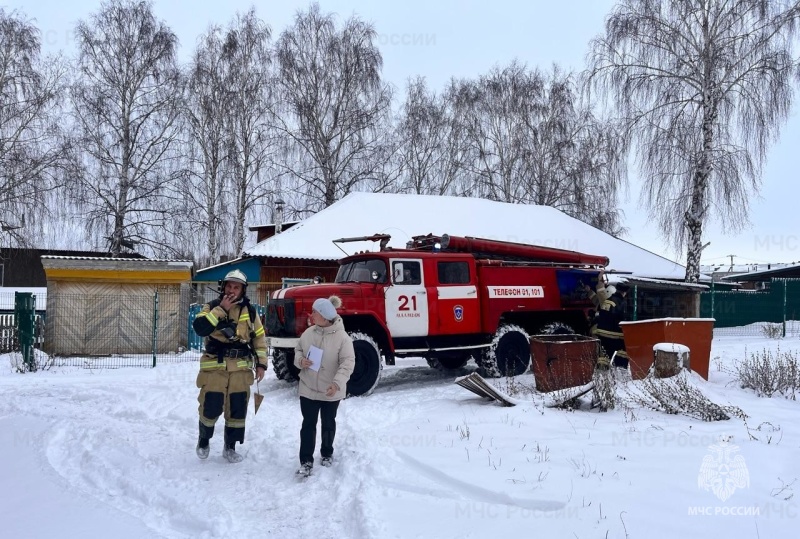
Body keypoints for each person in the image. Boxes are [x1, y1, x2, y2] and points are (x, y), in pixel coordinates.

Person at [192, 269, 267, 463]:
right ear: (223, 287)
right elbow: (200, 328)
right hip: (214, 368)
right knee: (211, 405)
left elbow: (259, 338)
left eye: (237, 287)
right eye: (229, 286)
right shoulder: (211, 306)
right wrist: (221, 309)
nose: (232, 290)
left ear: (243, 290)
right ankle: (204, 440)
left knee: (237, 408)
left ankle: (230, 447)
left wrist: (261, 364)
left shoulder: (250, 312)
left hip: (240, 370)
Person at [293, 295, 355, 477]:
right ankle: (306, 461)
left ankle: (327, 453)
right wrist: (300, 360)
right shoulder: (309, 333)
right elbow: (298, 350)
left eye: (314, 312)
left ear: (324, 316)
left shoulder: (343, 338)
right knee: (308, 425)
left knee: (328, 424)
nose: (311, 314)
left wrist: (337, 384)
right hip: (308, 387)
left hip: (330, 390)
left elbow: (348, 362)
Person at [595, 282, 631, 369]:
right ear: (624, 292)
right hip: (615, 335)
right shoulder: (622, 303)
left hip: (601, 334)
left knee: (604, 355)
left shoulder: (607, 300)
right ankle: (620, 370)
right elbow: (623, 319)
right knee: (623, 352)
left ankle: (602, 372)